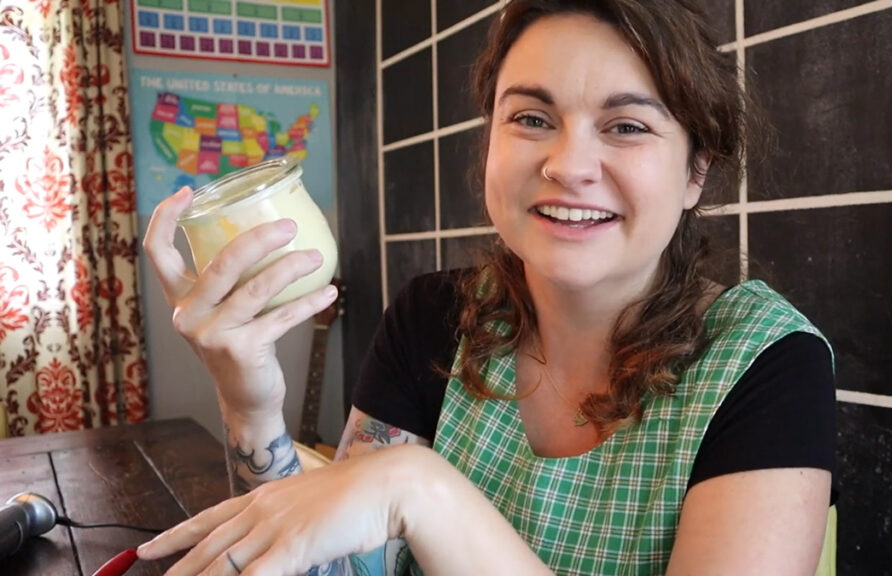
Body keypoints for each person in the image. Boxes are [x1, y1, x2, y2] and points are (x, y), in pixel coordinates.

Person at [138, 0, 837, 574]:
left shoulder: (766, 363)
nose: (568, 165)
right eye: (532, 119)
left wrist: (422, 489)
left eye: (626, 126)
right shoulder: (433, 319)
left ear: (695, 173)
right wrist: (249, 403)